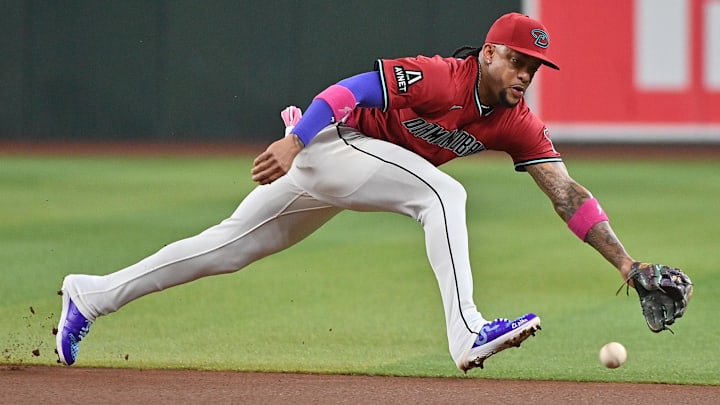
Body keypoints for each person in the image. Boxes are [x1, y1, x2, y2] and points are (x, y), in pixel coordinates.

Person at [54, 12, 667, 372]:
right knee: (443, 195)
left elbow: (565, 192)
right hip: (328, 146)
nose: (525, 76)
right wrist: (298, 140)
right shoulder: (438, 76)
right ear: (487, 53)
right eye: (517, 62)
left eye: (534, 69)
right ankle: (467, 331)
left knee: (225, 249)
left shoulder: (516, 121)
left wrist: (627, 263)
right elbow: (348, 90)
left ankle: (90, 295)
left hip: (347, 165)